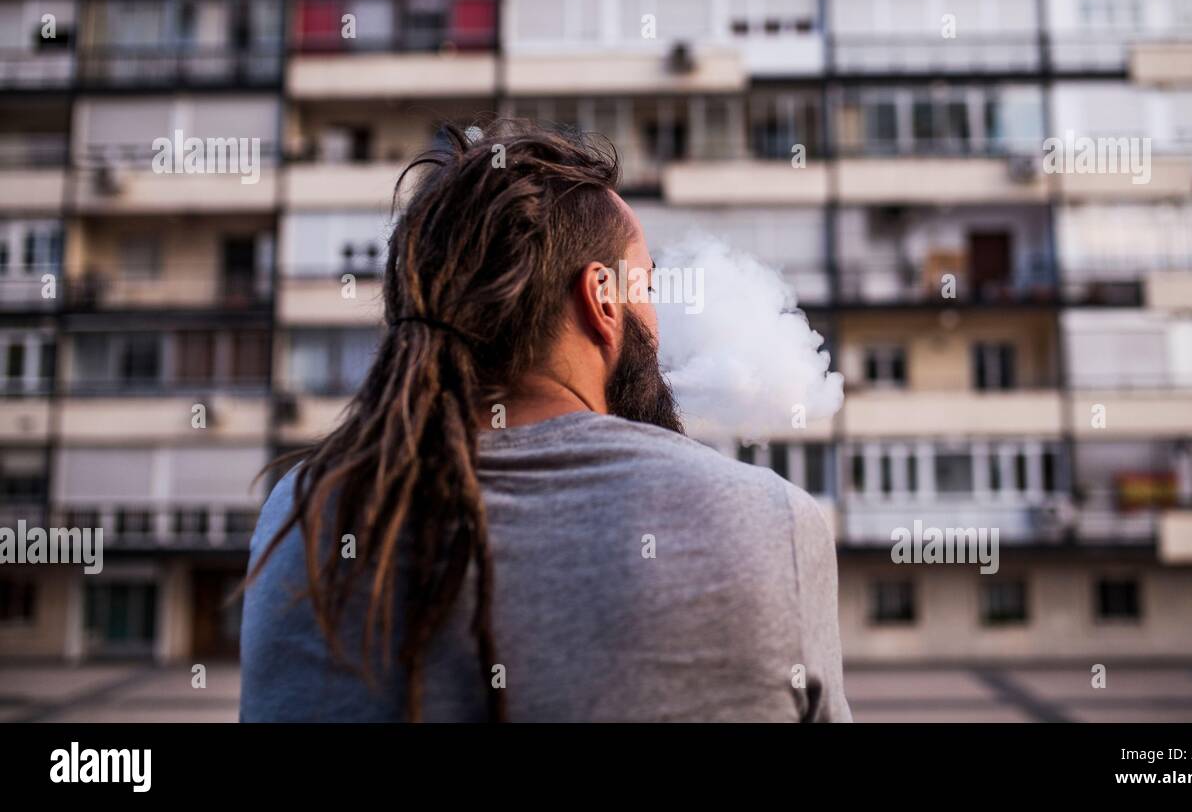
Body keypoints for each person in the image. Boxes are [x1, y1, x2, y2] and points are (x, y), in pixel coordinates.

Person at [239, 121, 851, 722]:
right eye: (649, 287)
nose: (660, 325)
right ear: (601, 299)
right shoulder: (771, 524)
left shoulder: (301, 518)